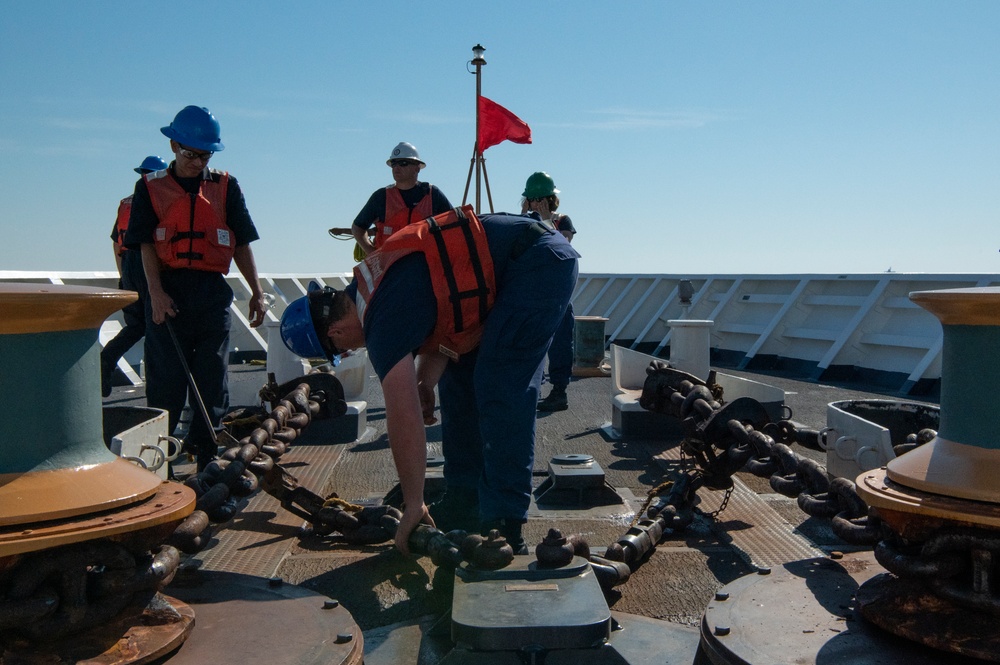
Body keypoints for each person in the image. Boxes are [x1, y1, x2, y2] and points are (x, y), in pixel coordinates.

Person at [280, 205, 580, 555]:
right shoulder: (372, 284)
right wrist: (425, 382)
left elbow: (403, 417)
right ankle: (464, 499)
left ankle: (505, 523)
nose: (348, 353)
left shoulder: (380, 320)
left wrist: (413, 504)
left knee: (500, 386)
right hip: (513, 263)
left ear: (335, 332)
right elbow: (446, 310)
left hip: (536, 264)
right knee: (459, 383)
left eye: (340, 351)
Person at [123, 106, 266, 471]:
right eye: (191, 154)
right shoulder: (150, 188)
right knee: (166, 382)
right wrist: (154, 293)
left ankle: (206, 455)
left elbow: (242, 243)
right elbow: (144, 246)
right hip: (167, 293)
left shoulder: (226, 187)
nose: (197, 161)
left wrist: (257, 291)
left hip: (210, 293)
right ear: (173, 145)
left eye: (205, 155)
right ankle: (160, 463)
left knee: (211, 377)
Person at [100, 155, 168, 397]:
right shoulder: (158, 200)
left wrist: (123, 277)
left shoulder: (125, 203)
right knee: (156, 324)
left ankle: (106, 359)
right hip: (147, 264)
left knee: (136, 325)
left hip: (129, 264)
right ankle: (158, 385)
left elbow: (117, 243)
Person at [521, 172, 577, 412]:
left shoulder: (562, 221)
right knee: (529, 344)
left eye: (537, 200)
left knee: (561, 343)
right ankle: (528, 389)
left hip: (557, 293)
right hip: (532, 291)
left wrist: (545, 220)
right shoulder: (523, 222)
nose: (535, 205)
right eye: (532, 201)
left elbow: (562, 247)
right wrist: (525, 216)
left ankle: (559, 391)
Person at [348, 142, 452, 257]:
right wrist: (372, 254)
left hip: (424, 269)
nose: (396, 168)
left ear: (417, 168)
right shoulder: (381, 197)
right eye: (394, 164)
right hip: (389, 270)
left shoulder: (433, 195)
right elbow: (357, 228)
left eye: (403, 163)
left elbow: (453, 225)